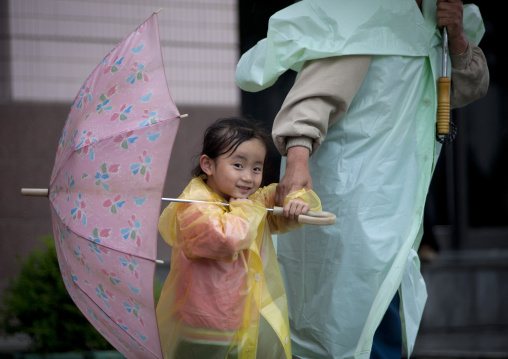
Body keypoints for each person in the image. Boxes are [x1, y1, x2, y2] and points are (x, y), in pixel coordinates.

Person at [235, 0, 489, 358]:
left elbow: (465, 89)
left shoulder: (441, 18)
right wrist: (296, 161)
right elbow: (313, 97)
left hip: (399, 197)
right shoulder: (368, 9)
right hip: (350, 190)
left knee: (381, 303)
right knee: (352, 313)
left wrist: (458, 39)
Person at [156, 117, 322, 359]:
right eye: (238, 165)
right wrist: (246, 209)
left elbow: (282, 200)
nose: (248, 177)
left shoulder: (253, 201)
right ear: (208, 165)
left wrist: (297, 201)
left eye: (256, 168)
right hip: (205, 325)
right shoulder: (193, 208)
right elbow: (226, 239)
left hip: (247, 319)